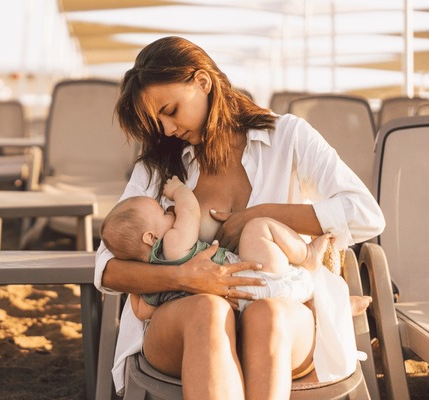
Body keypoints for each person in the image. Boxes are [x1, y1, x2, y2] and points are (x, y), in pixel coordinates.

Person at [94, 36, 385, 399]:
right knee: (208, 310)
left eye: (170, 110)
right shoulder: (160, 165)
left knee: (269, 315)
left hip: (283, 317)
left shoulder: (288, 137)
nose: (166, 129)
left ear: (202, 82)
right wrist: (182, 277)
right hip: (185, 320)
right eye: (157, 121)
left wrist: (261, 214)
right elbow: (106, 268)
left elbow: (366, 214)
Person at [101, 175, 328, 321]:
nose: (169, 211)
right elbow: (190, 213)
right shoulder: (171, 245)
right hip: (252, 276)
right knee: (257, 227)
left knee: (296, 292)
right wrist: (179, 191)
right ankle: (308, 255)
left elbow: (143, 314)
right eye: (162, 213)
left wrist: (136, 289)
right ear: (151, 237)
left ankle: (323, 305)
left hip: (239, 303)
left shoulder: (150, 286)